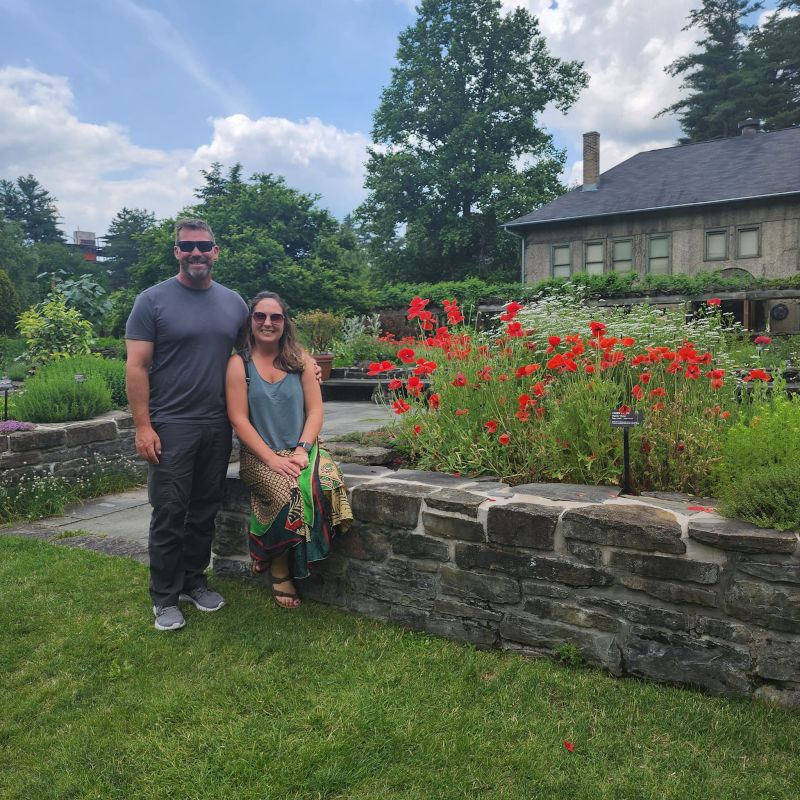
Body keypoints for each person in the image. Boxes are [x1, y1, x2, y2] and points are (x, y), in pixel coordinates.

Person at [125, 218, 249, 631]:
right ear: (177, 251)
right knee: (170, 511)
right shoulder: (152, 301)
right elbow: (137, 367)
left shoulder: (234, 303)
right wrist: (144, 427)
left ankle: (194, 581)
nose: (197, 252)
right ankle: (164, 597)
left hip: (218, 424)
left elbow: (257, 355)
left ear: (216, 250)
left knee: (204, 510)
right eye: (188, 246)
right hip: (171, 424)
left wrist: (304, 369)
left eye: (204, 245)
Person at [225, 291, 352, 608]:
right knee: (288, 495)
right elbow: (238, 419)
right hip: (259, 456)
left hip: (302, 450)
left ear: (285, 322)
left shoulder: (302, 361)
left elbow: (316, 412)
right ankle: (279, 567)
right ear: (251, 321)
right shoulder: (238, 364)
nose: (268, 323)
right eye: (260, 316)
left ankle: (268, 552)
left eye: (275, 317)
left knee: (325, 486)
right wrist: (270, 459)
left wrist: (301, 450)